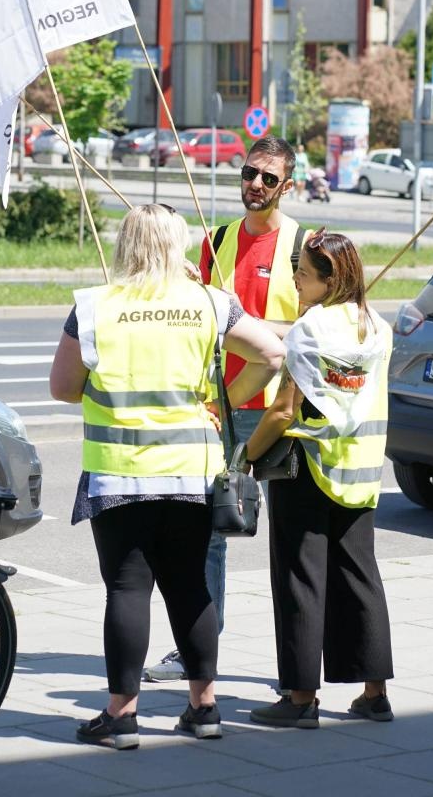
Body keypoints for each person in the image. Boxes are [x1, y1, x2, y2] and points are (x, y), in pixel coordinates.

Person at [49, 203, 284, 749]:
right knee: (188, 585)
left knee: (128, 589)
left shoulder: (94, 305)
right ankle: (204, 710)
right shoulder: (208, 303)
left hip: (120, 473)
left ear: (126, 244)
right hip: (191, 472)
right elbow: (272, 353)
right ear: (177, 245)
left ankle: (122, 717)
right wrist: (224, 402)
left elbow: (61, 387)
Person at [143, 136, 307, 683]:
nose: (255, 185)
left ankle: (300, 657)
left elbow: (312, 332)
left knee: (291, 533)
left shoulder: (302, 246)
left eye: (268, 178)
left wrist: (256, 333)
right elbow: (207, 319)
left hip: (285, 411)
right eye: (248, 173)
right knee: (208, 530)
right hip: (224, 405)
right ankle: (198, 649)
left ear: (288, 186)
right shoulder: (217, 242)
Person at [245, 229, 394, 729]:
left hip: (308, 466)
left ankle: (301, 697)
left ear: (331, 279)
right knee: (360, 576)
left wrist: (245, 454)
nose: (295, 280)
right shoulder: (377, 327)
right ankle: (375, 694)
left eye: (304, 274)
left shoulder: (310, 329)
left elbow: (284, 410)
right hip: (362, 468)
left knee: (300, 580)